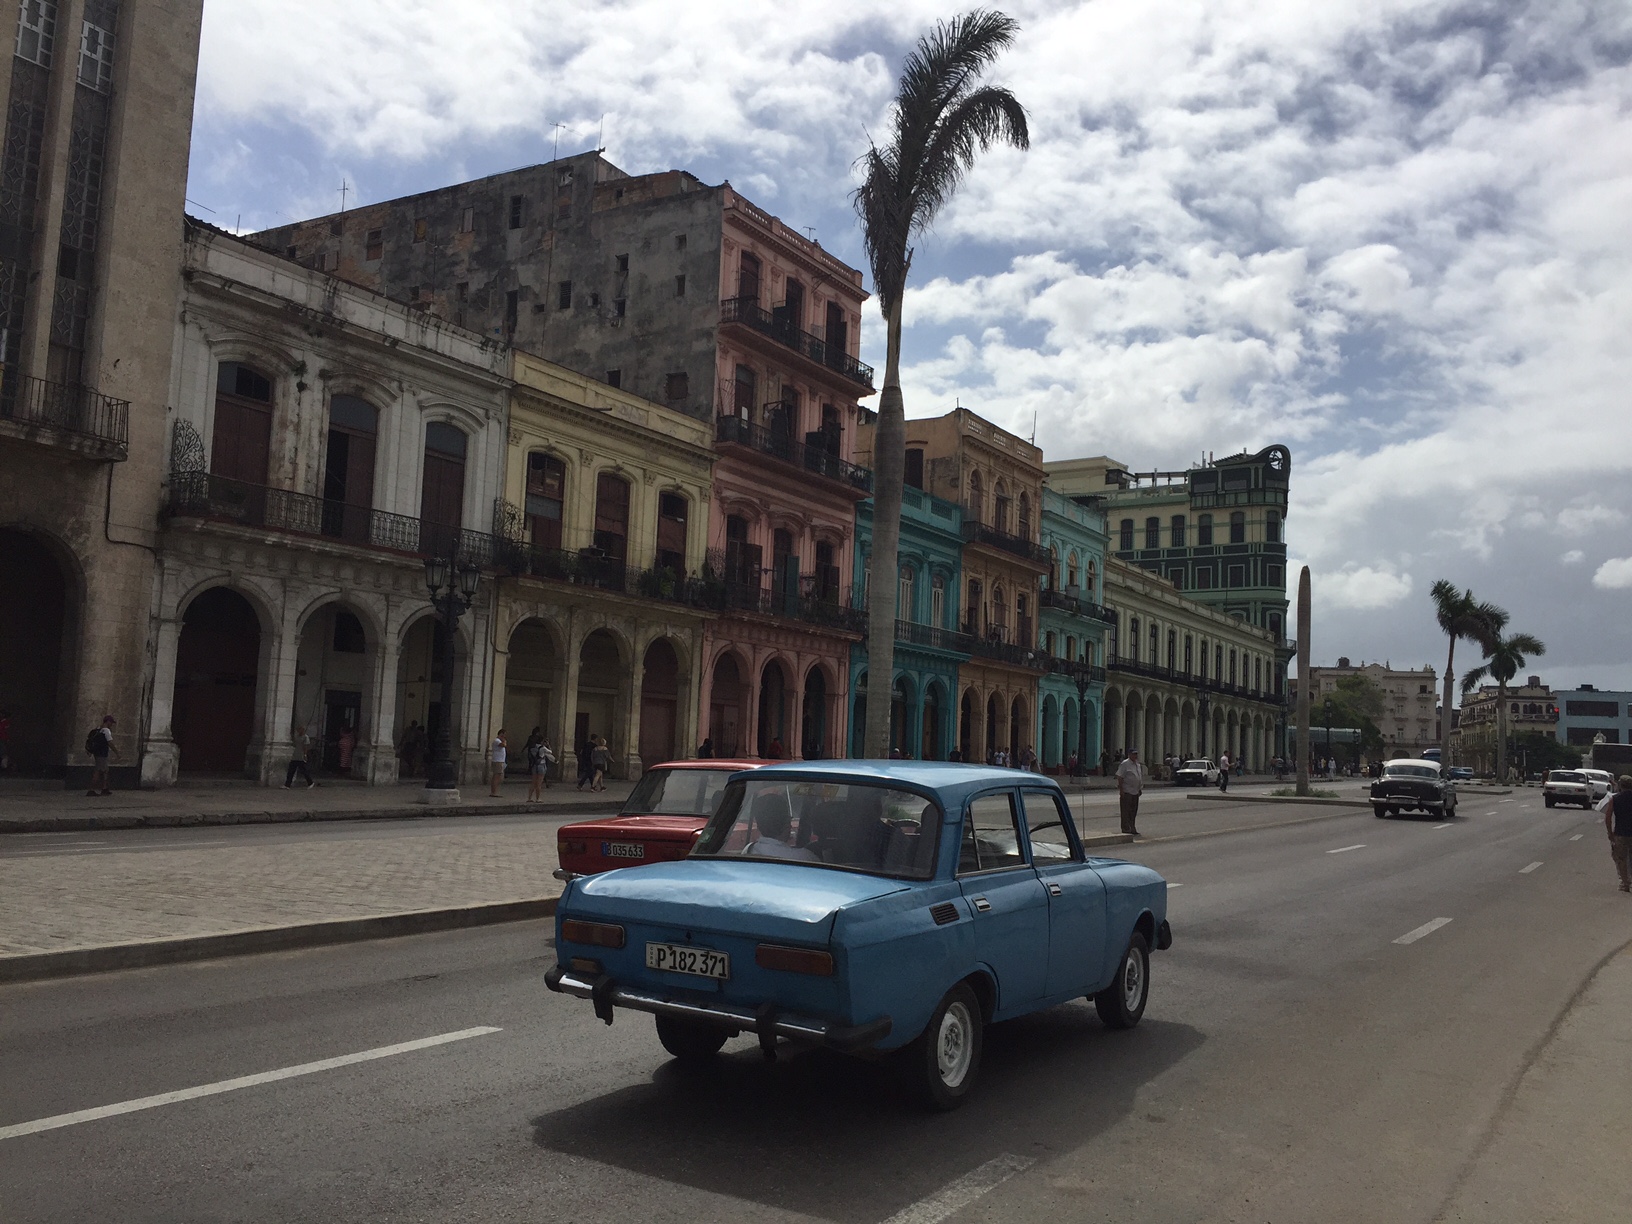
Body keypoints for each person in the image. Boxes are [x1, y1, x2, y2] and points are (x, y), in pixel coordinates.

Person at [744, 795, 818, 861]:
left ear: (758, 825)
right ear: (787, 824)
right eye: (789, 819)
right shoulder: (805, 857)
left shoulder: (748, 851)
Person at [1602, 775, 1632, 893]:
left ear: (1620, 785)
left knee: (1620, 858)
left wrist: (1610, 833)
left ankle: (1625, 883)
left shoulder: (1615, 799)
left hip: (1620, 833)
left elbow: (1608, 817)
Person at [86, 715, 117, 796]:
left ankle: (104, 788)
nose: (111, 724)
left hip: (98, 753)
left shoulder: (98, 729)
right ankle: (91, 790)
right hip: (102, 754)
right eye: (111, 722)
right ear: (108, 721)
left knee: (105, 770)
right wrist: (117, 753)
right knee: (98, 771)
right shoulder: (106, 731)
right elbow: (110, 743)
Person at [1116, 748, 1144, 836]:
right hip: (1127, 791)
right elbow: (1120, 777)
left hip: (1135, 791)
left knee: (1133, 811)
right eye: (1133, 754)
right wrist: (1121, 790)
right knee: (1126, 811)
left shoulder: (1137, 764)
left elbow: (1138, 777)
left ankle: (1132, 827)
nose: (1135, 756)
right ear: (1129, 755)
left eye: (1136, 754)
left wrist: (1139, 789)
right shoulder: (1125, 764)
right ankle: (1126, 828)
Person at [525, 727, 554, 801]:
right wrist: (548, 745)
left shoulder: (533, 748)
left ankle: (529, 798)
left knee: (533, 782)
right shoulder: (543, 748)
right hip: (541, 765)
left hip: (535, 765)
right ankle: (538, 798)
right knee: (539, 783)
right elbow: (550, 752)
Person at [283, 724, 316, 789]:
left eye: (299, 729)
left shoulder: (305, 737)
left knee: (304, 771)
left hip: (301, 756)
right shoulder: (297, 736)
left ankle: (310, 782)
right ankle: (287, 784)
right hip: (295, 755)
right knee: (291, 770)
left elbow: (305, 747)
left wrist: (305, 755)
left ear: (303, 730)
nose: (298, 731)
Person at [489, 728, 507, 797]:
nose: (505, 736)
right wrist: (504, 741)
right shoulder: (497, 741)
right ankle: (493, 792)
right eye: (504, 735)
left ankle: (494, 791)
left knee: (498, 776)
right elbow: (503, 745)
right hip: (497, 760)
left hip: (500, 760)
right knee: (496, 776)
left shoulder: (499, 741)